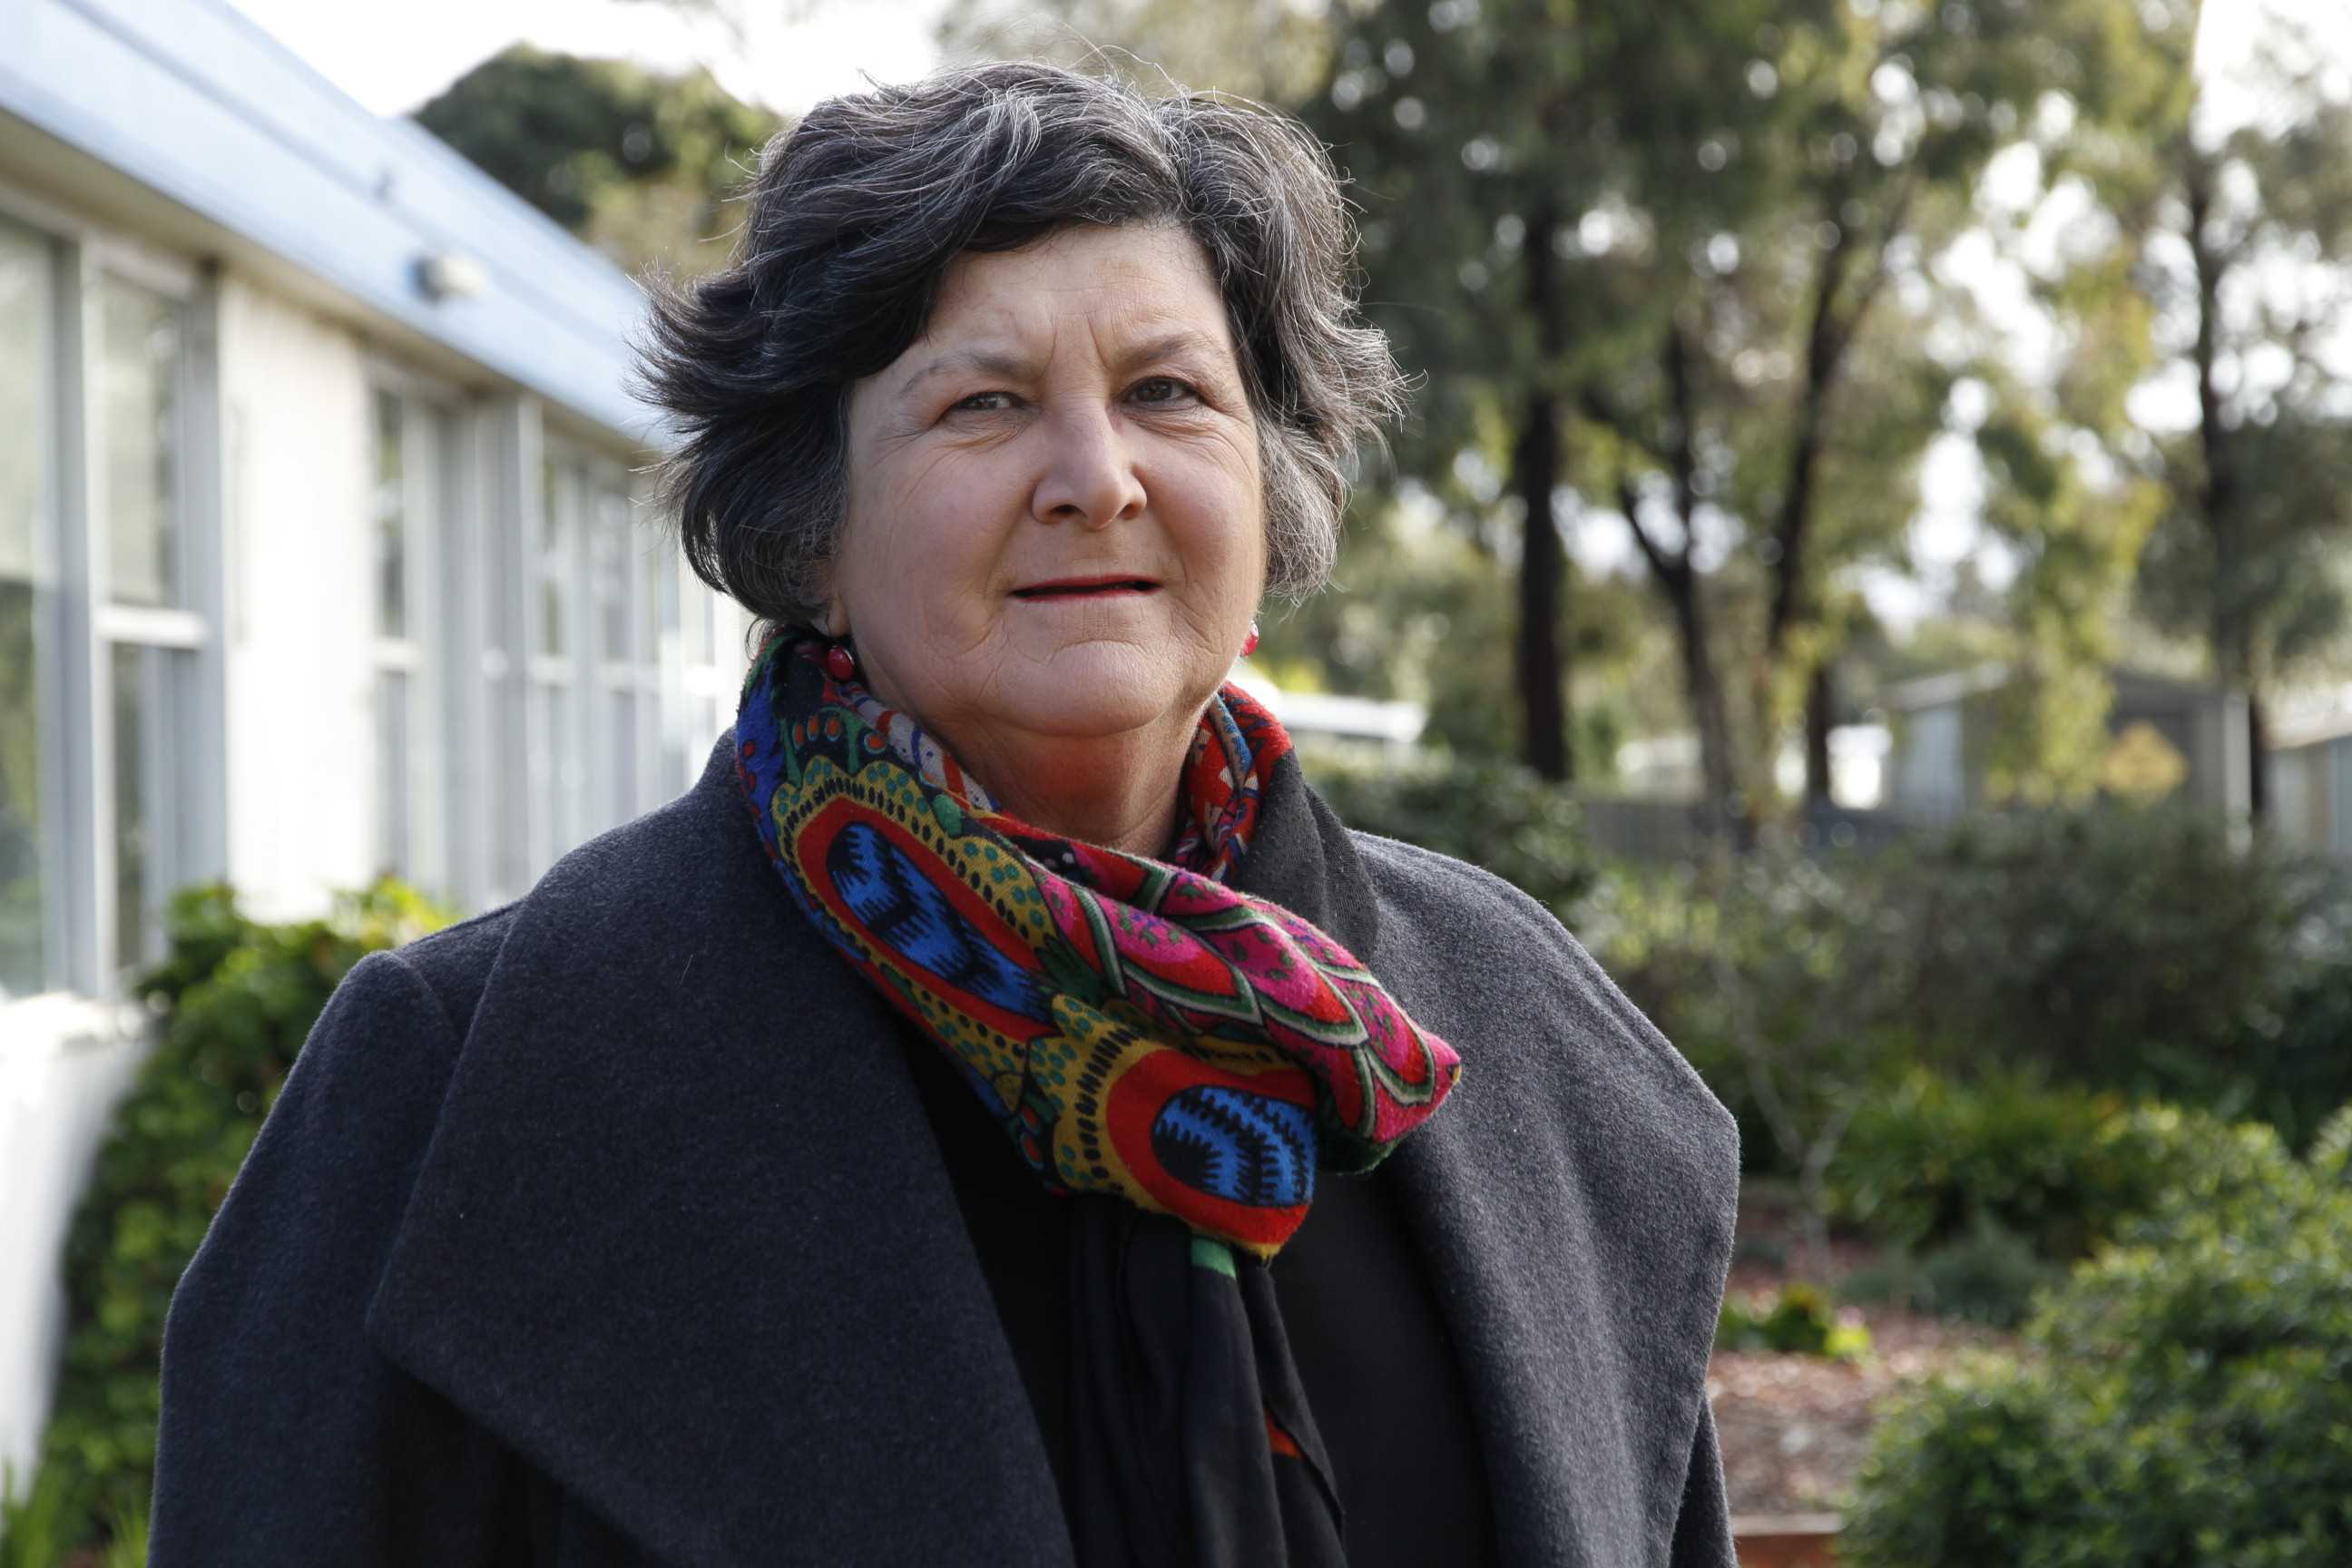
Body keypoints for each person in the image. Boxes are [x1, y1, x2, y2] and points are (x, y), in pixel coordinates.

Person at [151, 61, 1739, 1567]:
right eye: (982, 404)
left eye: (1169, 391)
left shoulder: (1527, 1041)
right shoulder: (460, 1082)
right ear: (811, 531)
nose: (1094, 475)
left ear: (1276, 484)